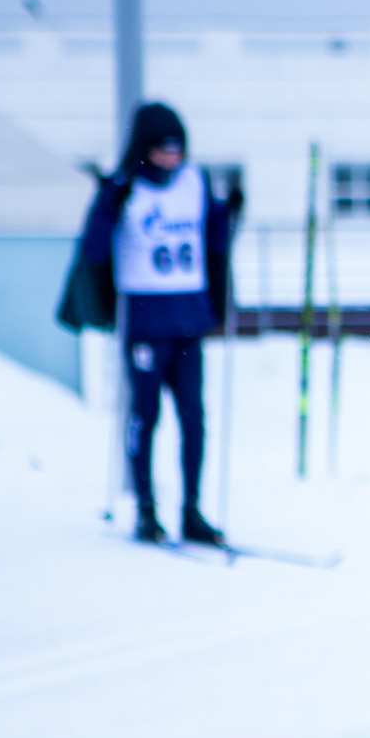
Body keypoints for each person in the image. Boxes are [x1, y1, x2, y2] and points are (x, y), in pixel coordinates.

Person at [68, 102, 239, 546]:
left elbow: (215, 239)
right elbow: (92, 251)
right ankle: (146, 509)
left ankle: (192, 510)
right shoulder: (125, 188)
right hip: (145, 316)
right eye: (162, 150)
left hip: (189, 316)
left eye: (177, 150)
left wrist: (231, 213)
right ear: (145, 149)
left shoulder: (195, 183)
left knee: (193, 418)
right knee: (146, 415)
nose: (171, 158)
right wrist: (109, 205)